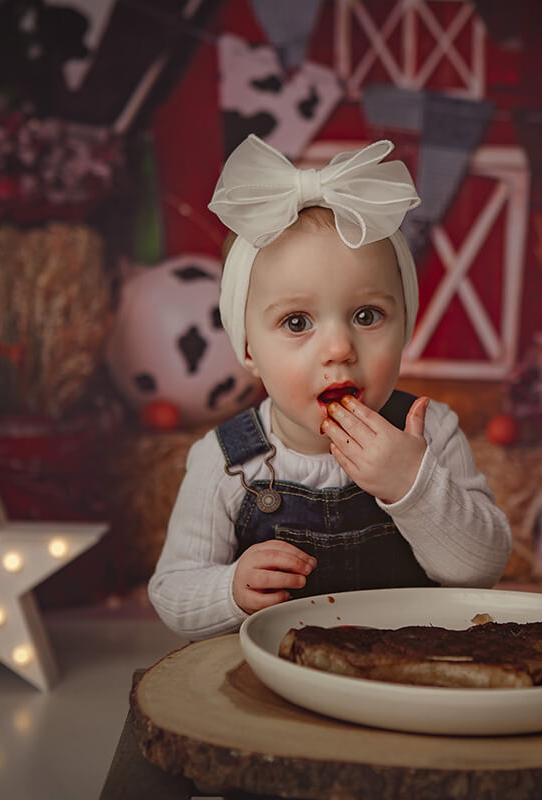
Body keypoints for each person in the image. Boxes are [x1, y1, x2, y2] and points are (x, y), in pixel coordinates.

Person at [147, 134, 512, 640]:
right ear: (249, 350)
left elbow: (483, 567)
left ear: (404, 328)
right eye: (297, 323)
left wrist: (413, 486)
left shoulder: (429, 432)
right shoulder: (229, 462)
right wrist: (230, 588)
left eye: (367, 315)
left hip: (409, 674)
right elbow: (172, 591)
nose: (339, 348)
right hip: (285, 685)